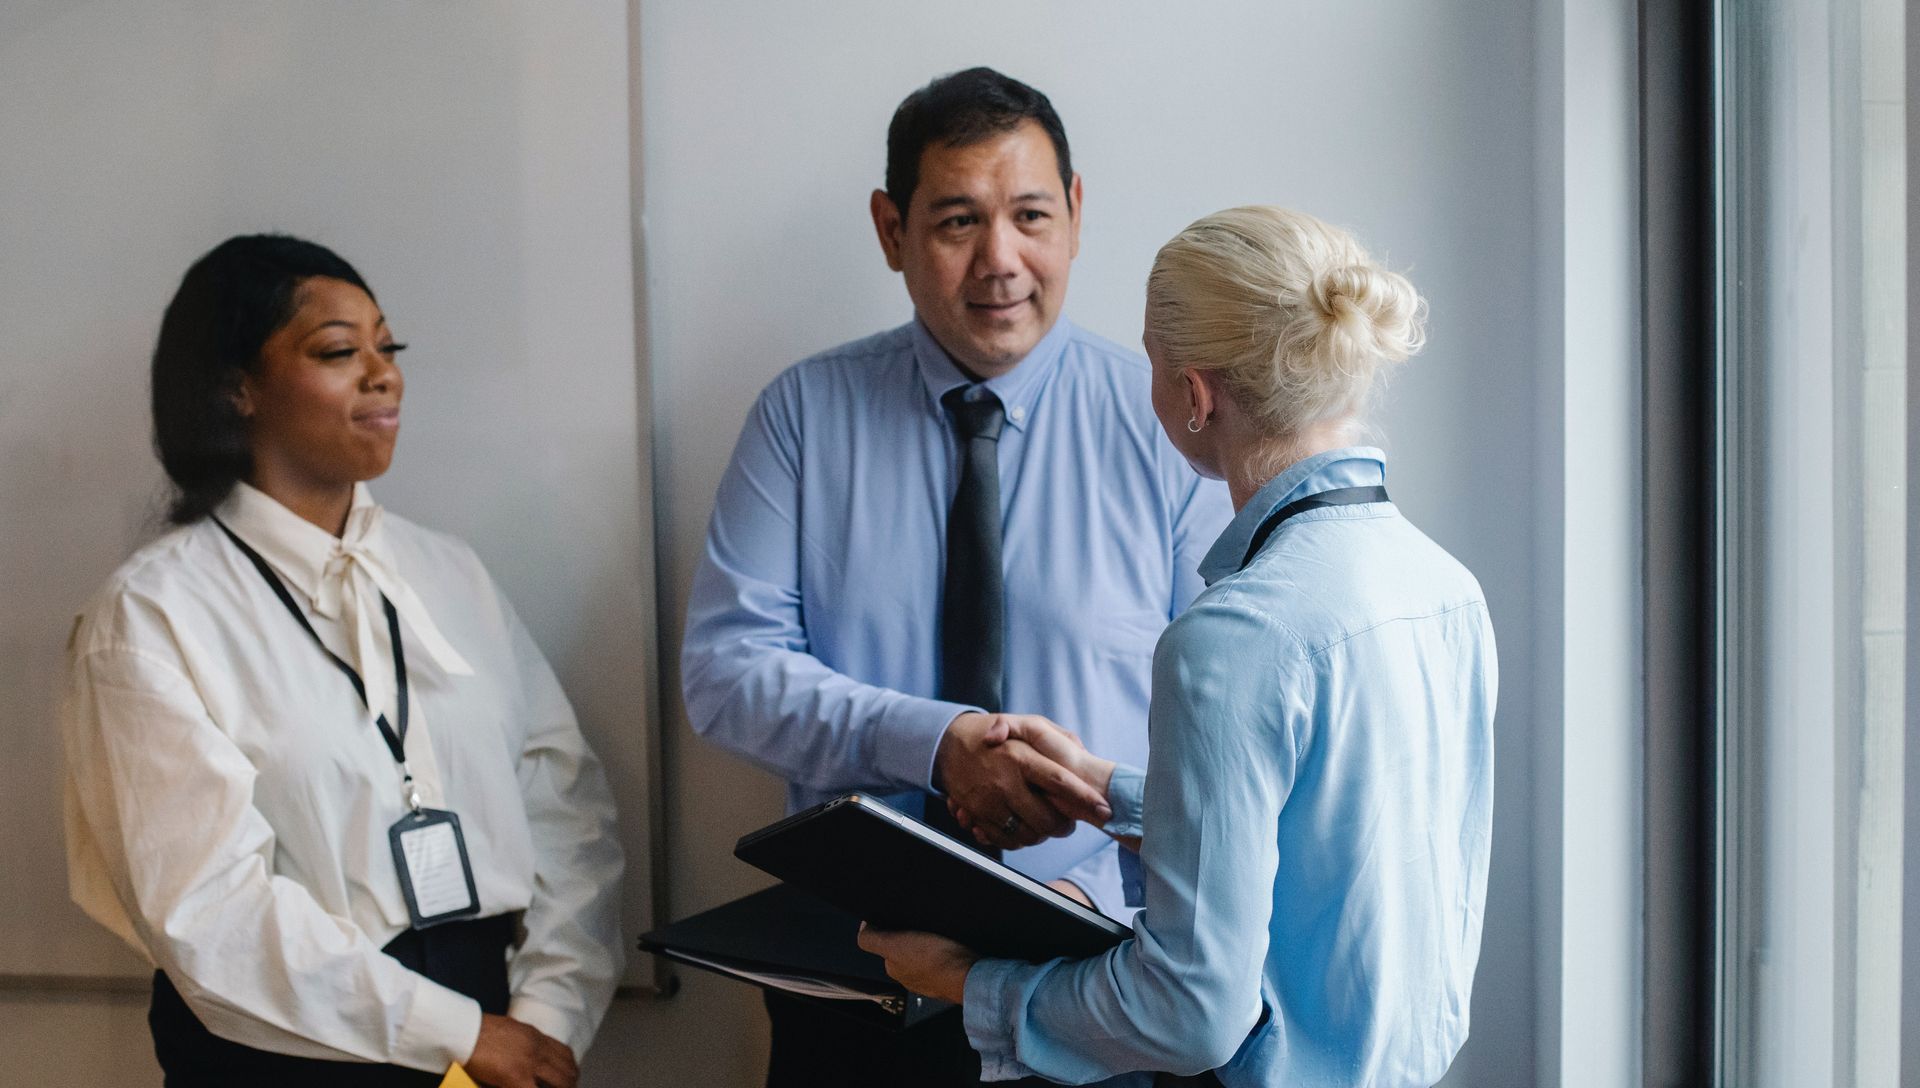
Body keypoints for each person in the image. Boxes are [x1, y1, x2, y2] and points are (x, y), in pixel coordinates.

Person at [859, 206, 1499, 1087]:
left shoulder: (1231, 639)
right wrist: (1108, 789)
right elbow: (1331, 841)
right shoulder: (1448, 592)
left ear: (1194, 398)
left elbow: (1190, 1014)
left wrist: (972, 986)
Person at [679, 68, 1232, 1086]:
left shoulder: (1172, 425)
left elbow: (1223, 717)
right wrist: (933, 744)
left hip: (1094, 973)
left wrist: (1124, 883)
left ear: (1074, 213)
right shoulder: (804, 415)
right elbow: (725, 669)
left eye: (1029, 215)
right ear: (891, 230)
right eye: (956, 222)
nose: (1001, 261)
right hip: (855, 970)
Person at [61, 235, 625, 1088]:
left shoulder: (449, 573)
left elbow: (567, 809)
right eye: (337, 351)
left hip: (497, 1034)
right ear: (236, 388)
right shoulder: (151, 614)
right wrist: (456, 1034)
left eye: (387, 348)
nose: (382, 374)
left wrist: (542, 1025)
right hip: (286, 1053)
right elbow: (210, 911)